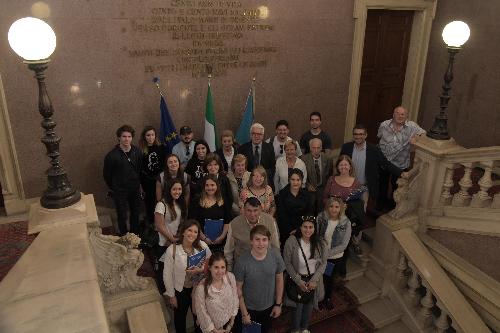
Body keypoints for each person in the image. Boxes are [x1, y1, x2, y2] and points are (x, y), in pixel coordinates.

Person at [340, 124, 408, 211]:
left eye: (361, 134)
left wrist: (401, 173)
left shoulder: (373, 150)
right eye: (356, 134)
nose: (358, 136)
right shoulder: (346, 147)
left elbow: (386, 163)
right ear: (353, 135)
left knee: (361, 211)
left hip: (363, 187)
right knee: (345, 209)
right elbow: (340, 165)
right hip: (348, 185)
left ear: (365, 135)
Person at [163, 219, 212, 333]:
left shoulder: (202, 245)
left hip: (198, 288)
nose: (192, 234)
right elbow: (167, 274)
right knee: (180, 319)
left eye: (196, 231)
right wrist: (171, 295)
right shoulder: (172, 250)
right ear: (183, 232)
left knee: (200, 317)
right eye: (190, 230)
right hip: (181, 290)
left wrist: (200, 269)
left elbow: (211, 263)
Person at [234, 225, 285, 333]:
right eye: (257, 239)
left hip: (269, 307)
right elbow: (238, 289)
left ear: (269, 241)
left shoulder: (275, 255)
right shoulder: (242, 261)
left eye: (264, 240)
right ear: (251, 241)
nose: (261, 243)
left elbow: (280, 279)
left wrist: (278, 304)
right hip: (248, 309)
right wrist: (244, 313)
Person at [283, 216, 327, 333]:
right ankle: (296, 329)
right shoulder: (291, 241)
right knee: (298, 307)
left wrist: (314, 280)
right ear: (300, 227)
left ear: (315, 228)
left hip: (313, 279)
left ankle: (305, 328)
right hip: (298, 278)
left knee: (309, 305)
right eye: (305, 227)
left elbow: (323, 263)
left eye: (311, 227)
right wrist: (298, 281)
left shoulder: (321, 243)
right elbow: (287, 263)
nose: (308, 230)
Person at [377, 106, 425, 210]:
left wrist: (416, 138)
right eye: (397, 113)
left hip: (400, 164)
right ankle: (381, 204)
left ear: (406, 116)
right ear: (393, 114)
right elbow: (379, 136)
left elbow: (424, 134)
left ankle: (394, 207)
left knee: (397, 186)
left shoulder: (412, 126)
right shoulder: (384, 125)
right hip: (384, 162)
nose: (400, 116)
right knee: (382, 184)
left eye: (403, 114)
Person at [103, 125, 142, 235]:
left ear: (132, 138)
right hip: (120, 190)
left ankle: (135, 234)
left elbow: (139, 168)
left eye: (129, 136)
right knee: (122, 214)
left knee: (135, 212)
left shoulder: (137, 152)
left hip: (134, 189)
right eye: (124, 136)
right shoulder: (111, 156)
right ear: (119, 138)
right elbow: (107, 175)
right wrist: (115, 187)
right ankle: (124, 235)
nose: (127, 139)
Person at [323, 155, 366, 254]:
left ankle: (351, 245)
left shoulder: (356, 183)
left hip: (349, 217)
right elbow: (325, 198)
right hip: (332, 215)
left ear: (350, 166)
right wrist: (334, 206)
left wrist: (348, 206)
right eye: (341, 165)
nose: (343, 167)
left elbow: (359, 203)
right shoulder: (331, 179)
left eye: (346, 165)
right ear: (337, 167)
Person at [224, 197, 280, 271]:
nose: (252, 214)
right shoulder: (234, 224)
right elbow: (228, 250)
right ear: (244, 210)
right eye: (249, 210)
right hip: (242, 268)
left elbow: (275, 246)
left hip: (266, 266)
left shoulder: (270, 221)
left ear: (260, 209)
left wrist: (275, 267)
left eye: (255, 210)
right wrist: (229, 271)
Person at [316, 197, 351, 309]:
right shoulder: (321, 217)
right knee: (319, 278)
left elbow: (344, 245)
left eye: (337, 207)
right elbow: (315, 234)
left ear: (340, 208)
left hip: (334, 257)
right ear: (327, 207)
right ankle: (319, 298)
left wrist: (327, 254)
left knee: (329, 278)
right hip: (320, 254)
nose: (334, 209)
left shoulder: (345, 222)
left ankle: (327, 298)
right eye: (331, 206)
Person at [193, 252, 239, 333]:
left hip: (229, 324)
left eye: (223, 267)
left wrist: (231, 324)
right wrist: (215, 331)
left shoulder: (230, 277)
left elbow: (235, 299)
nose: (220, 271)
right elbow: (202, 313)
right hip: (211, 329)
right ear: (210, 267)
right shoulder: (201, 288)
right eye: (216, 267)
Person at [154, 178, 187, 291]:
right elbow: (160, 226)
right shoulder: (161, 204)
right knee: (164, 270)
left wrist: (177, 238)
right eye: (174, 189)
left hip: (174, 241)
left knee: (173, 269)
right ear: (168, 190)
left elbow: (180, 222)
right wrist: (171, 239)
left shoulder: (179, 203)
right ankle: (164, 293)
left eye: (179, 189)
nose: (177, 191)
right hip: (163, 243)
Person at [189, 175, 232, 253]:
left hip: (220, 243)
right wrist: (203, 238)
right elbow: (193, 222)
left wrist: (222, 237)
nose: (210, 188)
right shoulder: (197, 200)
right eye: (207, 185)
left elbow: (227, 221)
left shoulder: (224, 200)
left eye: (212, 185)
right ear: (204, 186)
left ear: (217, 186)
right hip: (201, 242)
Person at [276, 169, 314, 247]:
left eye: (298, 180)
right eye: (293, 179)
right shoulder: (282, 194)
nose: (295, 182)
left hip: (303, 230)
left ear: (302, 181)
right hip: (286, 230)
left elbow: (309, 213)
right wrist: (291, 230)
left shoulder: (307, 195)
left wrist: (300, 229)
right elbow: (281, 215)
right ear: (289, 180)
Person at [139, 126, 165, 225]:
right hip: (147, 181)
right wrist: (140, 185)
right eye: (148, 135)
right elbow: (140, 169)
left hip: (160, 180)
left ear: (155, 136)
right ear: (144, 137)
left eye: (152, 135)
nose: (150, 137)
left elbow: (164, 164)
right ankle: (151, 223)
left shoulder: (161, 148)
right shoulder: (140, 151)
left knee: (161, 201)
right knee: (149, 203)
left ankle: (162, 222)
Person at [237, 123, 276, 187]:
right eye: (254, 133)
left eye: (259, 134)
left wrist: (262, 177)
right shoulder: (242, 149)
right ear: (250, 135)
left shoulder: (269, 148)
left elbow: (272, 167)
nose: (256, 136)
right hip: (248, 183)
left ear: (263, 135)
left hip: (265, 183)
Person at [301, 138, 333, 214]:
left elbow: (330, 175)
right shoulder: (303, 159)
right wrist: (307, 185)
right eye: (313, 148)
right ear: (310, 148)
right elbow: (300, 176)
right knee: (310, 208)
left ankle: (320, 223)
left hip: (323, 188)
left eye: (318, 148)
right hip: (310, 189)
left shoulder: (328, 158)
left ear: (321, 148)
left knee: (322, 209)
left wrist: (328, 188)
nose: (316, 150)